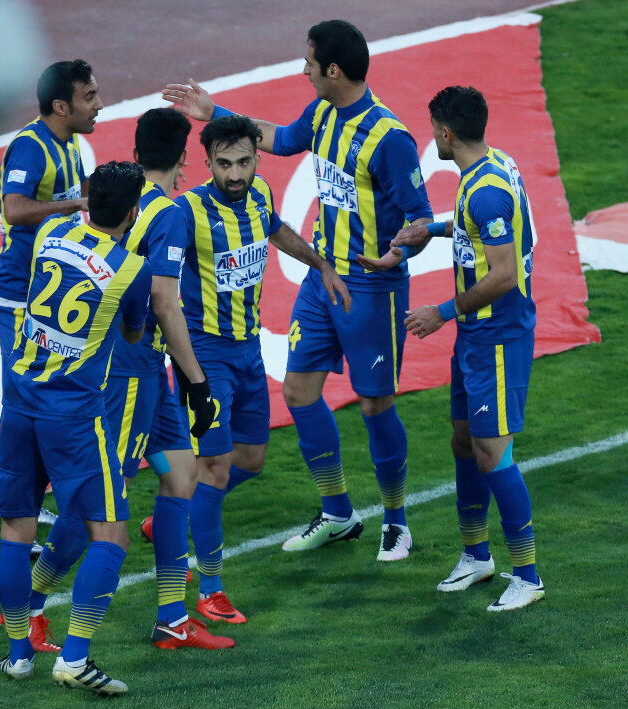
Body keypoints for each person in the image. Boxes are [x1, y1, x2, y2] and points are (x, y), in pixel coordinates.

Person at [163, 19, 433, 561]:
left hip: (372, 289)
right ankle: (338, 513)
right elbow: (282, 139)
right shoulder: (323, 113)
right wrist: (214, 114)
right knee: (299, 393)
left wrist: (397, 255)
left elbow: (421, 218)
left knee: (375, 405)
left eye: (309, 61)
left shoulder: (391, 140)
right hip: (322, 279)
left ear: (333, 69)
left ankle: (396, 521)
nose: (303, 68)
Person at [26, 108, 233, 651]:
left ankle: (172, 617)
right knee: (97, 504)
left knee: (181, 477)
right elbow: (164, 302)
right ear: (185, 158)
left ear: (137, 153)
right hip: (128, 374)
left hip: (144, 372)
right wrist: (198, 383)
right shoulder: (167, 213)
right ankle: (28, 603)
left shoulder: (114, 199)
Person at [0, 161, 153, 696]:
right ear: (133, 212)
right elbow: (133, 331)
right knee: (111, 534)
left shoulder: (50, 233)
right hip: (74, 415)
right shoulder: (131, 269)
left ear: (86, 199)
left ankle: (18, 656)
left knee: (16, 530)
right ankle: (75, 658)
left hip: (20, 400)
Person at [173, 114, 351, 615]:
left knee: (249, 461)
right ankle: (209, 590)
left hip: (248, 352)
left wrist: (321, 264)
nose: (235, 174)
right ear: (207, 163)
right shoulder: (186, 212)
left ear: (257, 157)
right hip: (204, 359)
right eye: (224, 164)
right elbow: (151, 273)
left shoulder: (260, 195)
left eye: (244, 162)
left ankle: (175, 512)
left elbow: (276, 230)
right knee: (214, 469)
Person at [402, 86, 544, 611]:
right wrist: (433, 229)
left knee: (492, 454)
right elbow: (478, 231)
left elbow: (503, 274)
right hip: (475, 338)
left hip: (498, 340)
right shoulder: (492, 164)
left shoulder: (485, 191)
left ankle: (527, 575)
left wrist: (440, 312)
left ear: (445, 132)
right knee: (464, 442)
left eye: (432, 129)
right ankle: (476, 555)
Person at [0, 59, 103, 653]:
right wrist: (73, 204)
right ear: (61, 106)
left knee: (39, 405)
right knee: (29, 405)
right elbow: (14, 210)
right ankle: (24, 514)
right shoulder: (32, 147)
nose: (97, 104)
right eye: (89, 96)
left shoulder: (70, 147)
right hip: (15, 301)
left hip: (40, 300)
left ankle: (28, 516)